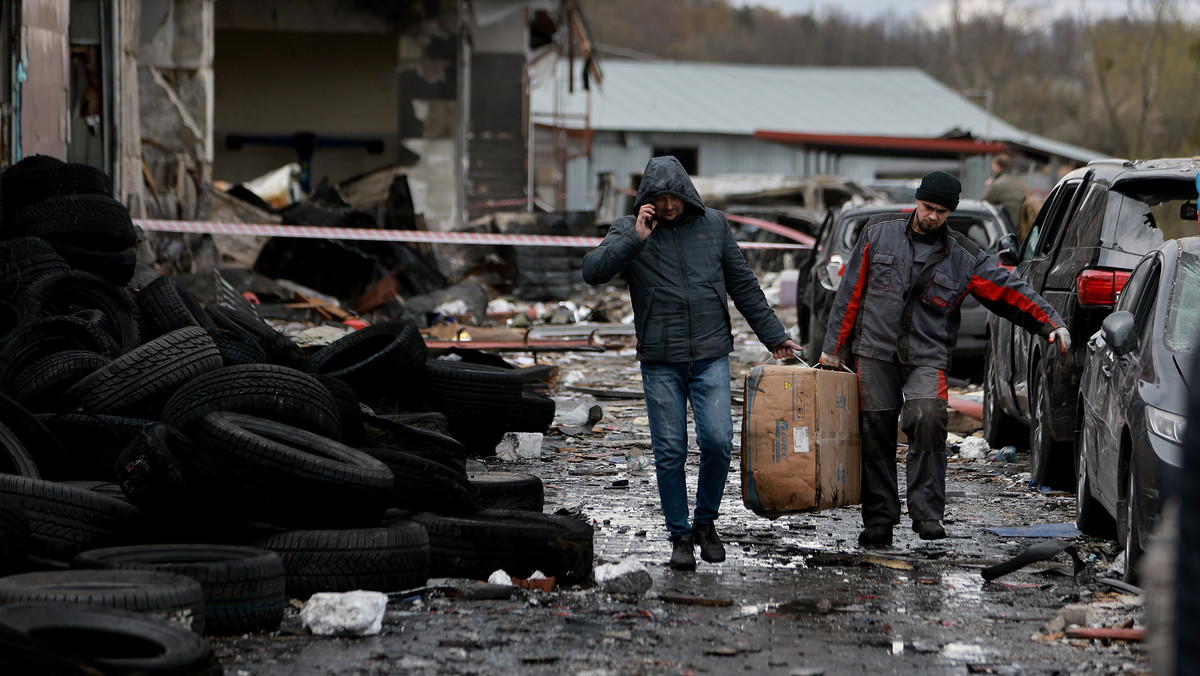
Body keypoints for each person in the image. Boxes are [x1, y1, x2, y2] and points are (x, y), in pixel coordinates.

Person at [819, 170, 1070, 547]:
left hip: (926, 354)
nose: (932, 216)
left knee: (928, 417)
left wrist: (1050, 322)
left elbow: (1008, 291)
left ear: (950, 212)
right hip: (874, 350)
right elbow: (850, 293)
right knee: (875, 433)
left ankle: (927, 513)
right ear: (916, 201)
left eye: (940, 211)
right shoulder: (878, 232)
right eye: (927, 207)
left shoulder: (964, 256)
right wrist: (833, 350)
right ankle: (879, 520)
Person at [582, 156, 801, 571]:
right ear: (647, 200)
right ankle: (679, 536)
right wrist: (636, 239)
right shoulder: (630, 230)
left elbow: (743, 284)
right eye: (659, 199)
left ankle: (705, 524)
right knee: (670, 451)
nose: (667, 207)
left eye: (673, 197)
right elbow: (592, 272)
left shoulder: (714, 225)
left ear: (686, 193)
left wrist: (774, 336)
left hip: (710, 354)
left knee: (718, 442)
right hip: (661, 360)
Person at [981, 153, 1029, 236]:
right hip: (1021, 227)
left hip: (1007, 228)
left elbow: (981, 204)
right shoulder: (1017, 181)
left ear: (997, 167)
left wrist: (987, 186)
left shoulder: (997, 185)